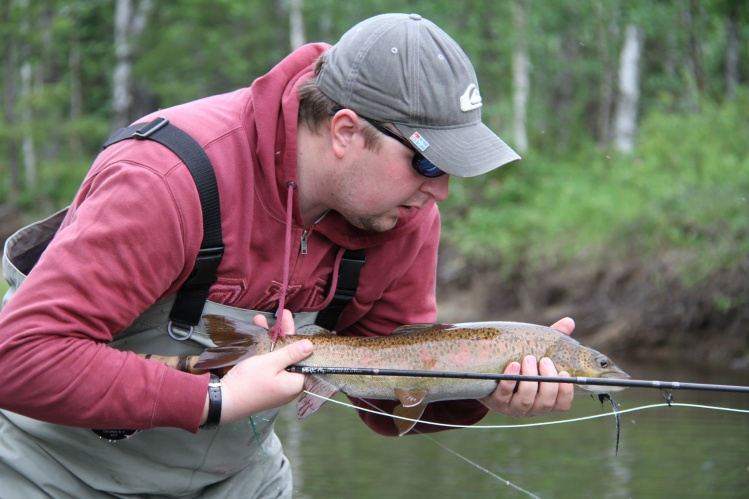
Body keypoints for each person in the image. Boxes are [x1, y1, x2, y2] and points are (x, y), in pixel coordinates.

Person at [0, 13, 574, 498]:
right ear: (346, 131)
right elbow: (17, 358)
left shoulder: (402, 215)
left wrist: (482, 390)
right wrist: (215, 397)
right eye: (428, 162)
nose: (441, 190)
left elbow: (383, 405)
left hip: (234, 479)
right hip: (50, 472)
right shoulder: (168, 180)